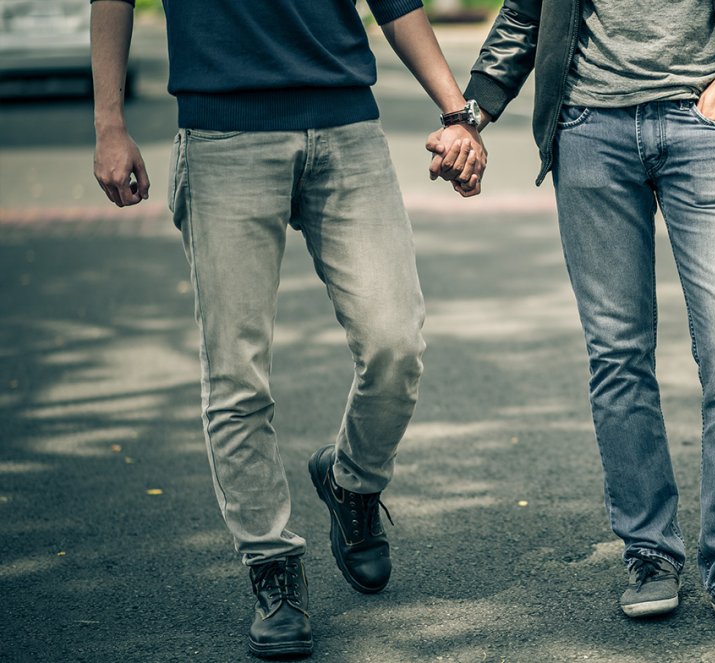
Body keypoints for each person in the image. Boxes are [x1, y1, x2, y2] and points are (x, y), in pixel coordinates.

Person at [91, 0, 486, 658]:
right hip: (222, 135)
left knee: (396, 340)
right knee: (237, 374)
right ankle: (272, 567)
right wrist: (109, 123)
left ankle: (352, 481)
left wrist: (457, 113)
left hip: (346, 126)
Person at [428, 0, 715, 631]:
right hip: (591, 129)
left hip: (711, 122)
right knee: (618, 355)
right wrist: (468, 117)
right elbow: (526, 14)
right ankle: (649, 553)